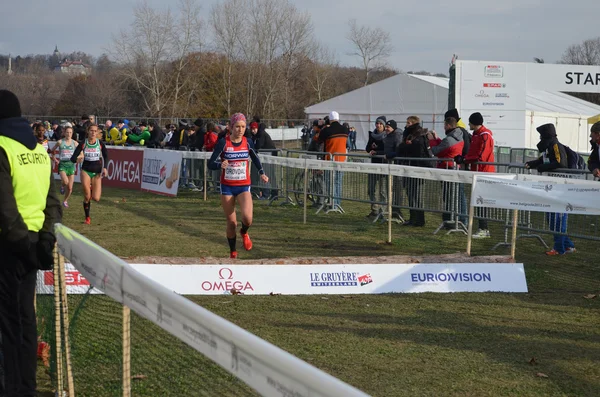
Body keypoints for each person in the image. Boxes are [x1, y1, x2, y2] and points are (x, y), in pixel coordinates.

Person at [0, 89, 62, 397]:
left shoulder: (2, 148)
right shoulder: (39, 151)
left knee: (11, 324)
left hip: (11, 247)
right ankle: (27, 385)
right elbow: (53, 202)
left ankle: (16, 388)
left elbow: (5, 207)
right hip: (35, 245)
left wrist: (23, 243)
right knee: (25, 317)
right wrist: (45, 239)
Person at [208, 113, 269, 259]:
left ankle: (245, 232)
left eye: (243, 127)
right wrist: (219, 165)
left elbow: (254, 157)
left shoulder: (247, 142)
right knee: (231, 222)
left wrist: (262, 172)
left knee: (247, 218)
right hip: (227, 187)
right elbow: (210, 163)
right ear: (230, 127)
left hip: (243, 186)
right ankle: (233, 252)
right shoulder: (224, 142)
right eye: (237, 127)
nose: (240, 130)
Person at [525, 123, 575, 255]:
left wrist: (543, 168)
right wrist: (532, 164)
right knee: (551, 218)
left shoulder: (555, 145)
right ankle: (568, 245)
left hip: (560, 189)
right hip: (552, 188)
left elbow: (560, 162)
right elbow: (543, 160)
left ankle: (559, 249)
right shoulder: (549, 146)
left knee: (558, 219)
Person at [70, 124, 108, 225]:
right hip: (86, 170)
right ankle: (87, 218)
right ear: (88, 131)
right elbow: (73, 157)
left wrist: (105, 168)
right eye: (91, 131)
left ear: (97, 132)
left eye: (95, 131)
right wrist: (77, 159)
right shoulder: (84, 143)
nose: (93, 133)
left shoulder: (100, 143)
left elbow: (106, 155)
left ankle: (91, 189)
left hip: (97, 172)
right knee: (87, 196)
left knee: (96, 198)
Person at [50, 126, 79, 208]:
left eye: (70, 132)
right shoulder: (60, 142)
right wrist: (55, 159)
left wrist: (78, 158)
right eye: (67, 132)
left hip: (71, 166)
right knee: (66, 182)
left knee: (70, 188)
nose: (69, 134)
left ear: (72, 133)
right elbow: (52, 150)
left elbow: (81, 154)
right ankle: (62, 186)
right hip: (62, 165)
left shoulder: (75, 143)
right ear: (64, 133)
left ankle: (65, 201)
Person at [366, 116, 387, 218]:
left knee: (383, 191)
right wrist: (371, 148)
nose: (378, 125)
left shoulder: (387, 136)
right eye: (377, 123)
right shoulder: (372, 135)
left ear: (384, 125)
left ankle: (382, 211)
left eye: (380, 124)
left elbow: (387, 150)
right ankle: (374, 209)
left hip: (383, 166)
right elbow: (367, 148)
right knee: (370, 189)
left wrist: (377, 151)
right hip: (373, 166)